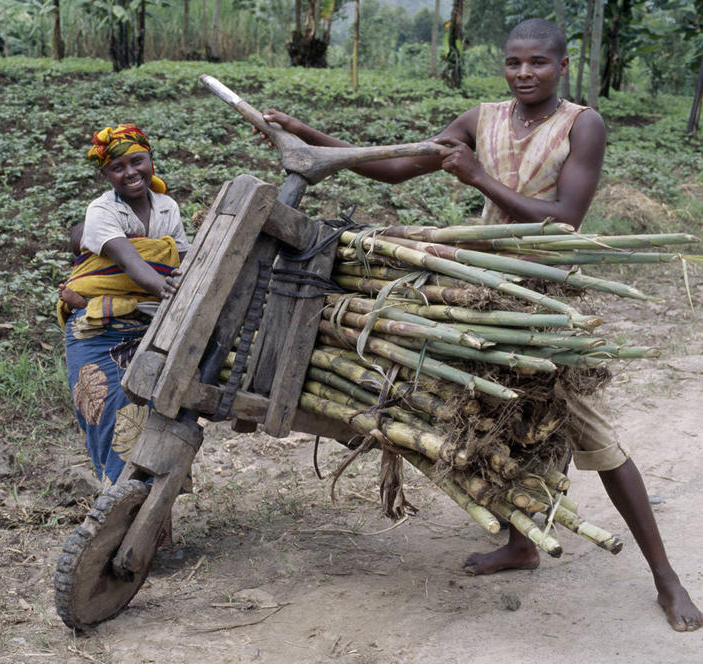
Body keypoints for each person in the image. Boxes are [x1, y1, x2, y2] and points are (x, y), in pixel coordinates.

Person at [259, 18, 702, 632]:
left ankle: (666, 578)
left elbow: (566, 218)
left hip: (545, 301)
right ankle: (523, 545)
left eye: (538, 64)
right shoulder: (480, 118)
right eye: (515, 63)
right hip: (481, 293)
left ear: (562, 66)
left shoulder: (583, 124)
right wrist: (305, 135)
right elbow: (395, 167)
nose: (525, 74)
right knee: (495, 423)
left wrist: (479, 179)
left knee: (593, 435)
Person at [57, 123, 190, 486]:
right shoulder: (101, 211)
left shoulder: (167, 207)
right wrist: (179, 290)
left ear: (151, 159)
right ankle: (118, 518)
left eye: (138, 161)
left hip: (150, 328)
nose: (131, 172)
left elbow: (178, 258)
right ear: (106, 174)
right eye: (118, 167)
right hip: (99, 333)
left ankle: (154, 530)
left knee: (158, 422)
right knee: (113, 421)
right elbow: (135, 267)